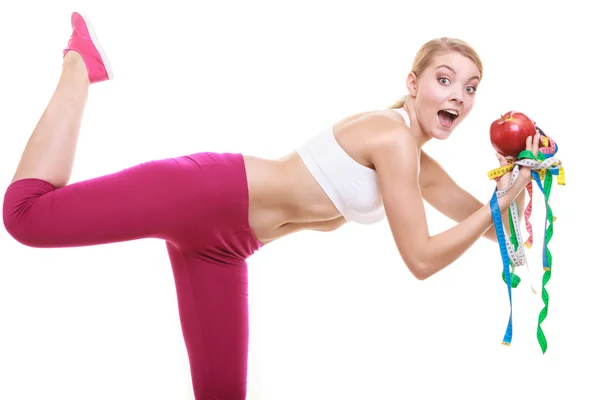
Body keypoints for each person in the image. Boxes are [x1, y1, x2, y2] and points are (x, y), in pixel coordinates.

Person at [2, 11, 541, 400]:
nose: (458, 97)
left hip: (225, 248)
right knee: (25, 215)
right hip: (206, 193)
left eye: (470, 89)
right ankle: (80, 61)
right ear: (412, 84)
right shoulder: (393, 137)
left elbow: (489, 226)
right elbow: (421, 259)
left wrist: (524, 182)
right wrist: (499, 202)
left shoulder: (414, 161)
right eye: (444, 81)